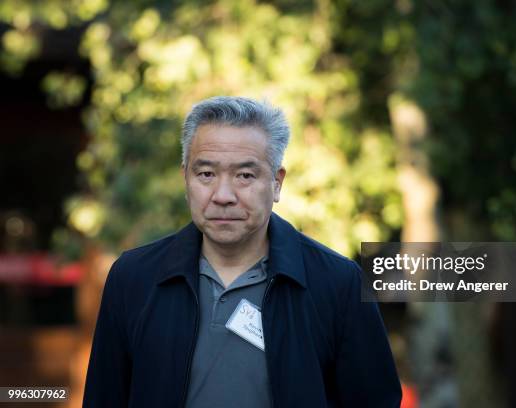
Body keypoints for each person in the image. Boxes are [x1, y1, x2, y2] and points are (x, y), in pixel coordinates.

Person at [83, 96, 401, 407]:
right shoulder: (134, 278)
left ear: (276, 183)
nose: (223, 195)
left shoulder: (337, 283)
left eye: (245, 176)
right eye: (206, 174)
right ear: (185, 179)